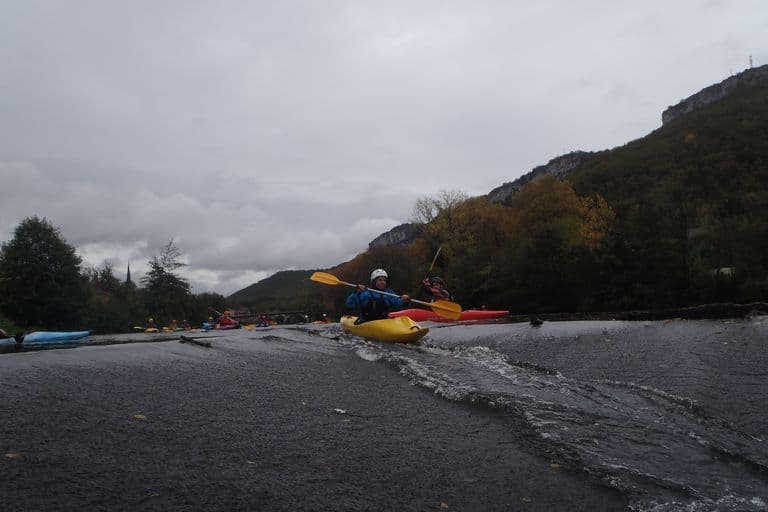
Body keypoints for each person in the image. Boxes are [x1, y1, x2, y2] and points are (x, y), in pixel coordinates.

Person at [345, 268, 411, 323]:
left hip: (384, 321)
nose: (382, 282)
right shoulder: (366, 293)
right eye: (380, 280)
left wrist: (404, 300)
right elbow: (349, 304)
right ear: (374, 282)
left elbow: (397, 302)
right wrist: (356, 292)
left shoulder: (388, 293)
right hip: (367, 322)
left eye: (384, 280)